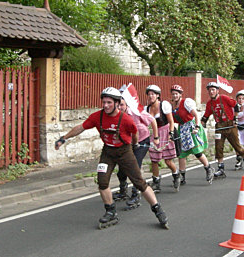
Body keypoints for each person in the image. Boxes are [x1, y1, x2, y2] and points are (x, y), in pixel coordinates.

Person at [54, 87, 168, 229]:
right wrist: (63, 138)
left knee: (139, 182)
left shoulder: (126, 119)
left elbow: (135, 133)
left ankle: (158, 210)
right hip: (108, 152)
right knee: (102, 181)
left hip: (124, 151)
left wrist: (134, 145)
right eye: (104, 102)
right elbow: (81, 127)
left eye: (109, 102)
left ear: (116, 103)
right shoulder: (97, 117)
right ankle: (110, 211)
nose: (106, 105)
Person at [114, 95, 159, 210]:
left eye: (122, 105)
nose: (120, 107)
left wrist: (156, 137)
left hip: (142, 142)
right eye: (118, 105)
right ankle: (123, 190)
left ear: (127, 105)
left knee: (135, 168)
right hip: (128, 144)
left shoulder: (136, 112)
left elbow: (152, 120)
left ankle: (136, 195)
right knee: (122, 169)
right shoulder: (115, 115)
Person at [201, 82, 244, 178]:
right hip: (219, 127)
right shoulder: (209, 103)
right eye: (209, 90)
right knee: (218, 147)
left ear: (217, 91)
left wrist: (235, 119)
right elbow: (206, 116)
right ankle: (221, 169)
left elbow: (236, 106)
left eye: (213, 89)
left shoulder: (224, 98)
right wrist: (200, 125)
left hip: (230, 125)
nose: (211, 92)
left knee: (237, 146)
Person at [170, 84, 214, 185]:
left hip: (191, 126)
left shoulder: (186, 102)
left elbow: (196, 115)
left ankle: (208, 169)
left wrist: (197, 127)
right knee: (182, 154)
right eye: (173, 94)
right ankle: (182, 176)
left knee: (197, 152)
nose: (175, 96)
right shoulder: (172, 106)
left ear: (180, 95)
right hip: (182, 129)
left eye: (176, 94)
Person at [145, 85, 180, 192]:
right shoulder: (147, 108)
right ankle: (156, 182)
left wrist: (171, 133)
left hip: (166, 131)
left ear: (158, 96)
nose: (150, 96)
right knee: (154, 159)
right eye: (149, 94)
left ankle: (176, 174)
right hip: (155, 134)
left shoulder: (164, 105)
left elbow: (171, 121)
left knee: (168, 161)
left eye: (153, 94)